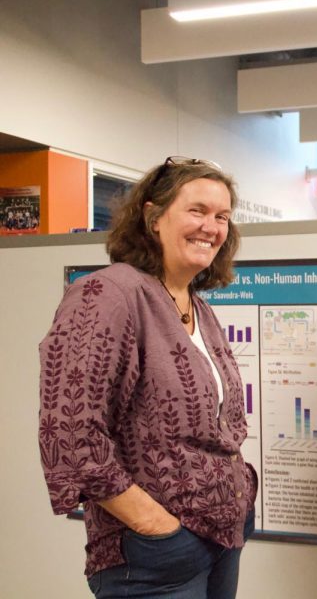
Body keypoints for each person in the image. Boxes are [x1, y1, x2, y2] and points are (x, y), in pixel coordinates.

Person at [38, 156, 256, 599]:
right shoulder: (108, 294)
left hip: (221, 538)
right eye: (196, 211)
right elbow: (71, 433)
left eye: (222, 217)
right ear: (153, 217)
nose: (211, 228)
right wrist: (155, 526)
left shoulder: (196, 306)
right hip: (155, 553)